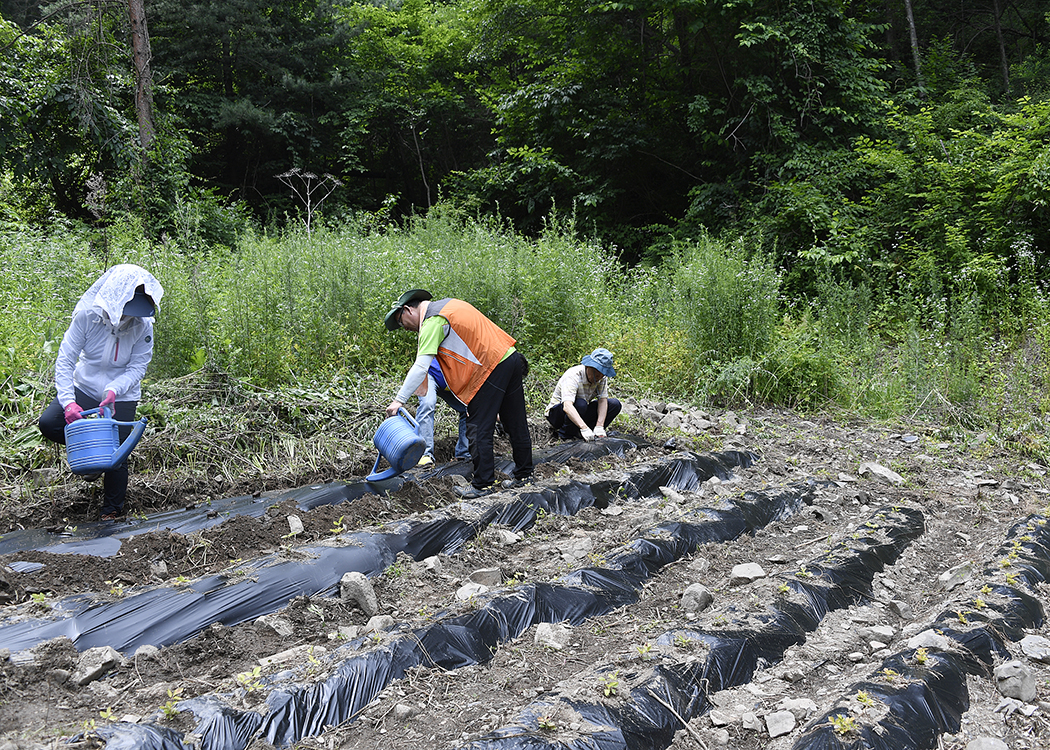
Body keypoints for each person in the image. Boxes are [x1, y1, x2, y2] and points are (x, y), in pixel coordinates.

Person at [38, 264, 164, 521]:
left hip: (121, 392)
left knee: (118, 451)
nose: (131, 317)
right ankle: (94, 458)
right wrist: (69, 402)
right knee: (49, 423)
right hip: (85, 385)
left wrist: (114, 390)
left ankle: (111, 511)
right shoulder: (86, 317)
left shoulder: (143, 326)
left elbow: (138, 367)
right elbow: (65, 360)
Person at [384, 289, 533, 498]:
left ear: (408, 310)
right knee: (516, 422)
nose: (404, 328)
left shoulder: (433, 321)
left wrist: (398, 401)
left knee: (478, 427)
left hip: (489, 368)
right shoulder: (451, 305)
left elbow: (421, 367)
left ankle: (483, 484)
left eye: (401, 322)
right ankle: (525, 475)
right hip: (509, 357)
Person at [546, 348, 622, 441]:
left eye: (602, 375)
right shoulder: (573, 375)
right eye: (597, 375)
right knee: (581, 404)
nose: (599, 378)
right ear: (589, 367)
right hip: (558, 414)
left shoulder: (602, 378)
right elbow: (567, 406)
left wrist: (599, 426)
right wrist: (584, 427)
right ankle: (565, 435)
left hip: (580, 412)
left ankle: (589, 432)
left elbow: (602, 401)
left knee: (614, 404)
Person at [413, 358, 470, 467]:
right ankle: (424, 454)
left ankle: (464, 454)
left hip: (455, 381)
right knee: (427, 404)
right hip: (431, 373)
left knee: (469, 408)